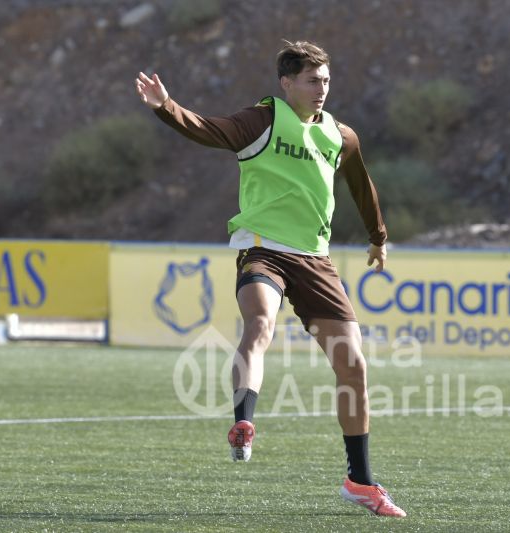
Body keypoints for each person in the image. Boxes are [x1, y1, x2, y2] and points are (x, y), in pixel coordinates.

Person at [135, 40, 405, 518]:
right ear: (286, 83)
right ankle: (244, 423)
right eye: (310, 80)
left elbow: (361, 185)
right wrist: (166, 108)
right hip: (263, 249)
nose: (321, 89)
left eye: (325, 80)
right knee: (260, 324)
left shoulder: (341, 136)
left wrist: (377, 238)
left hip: (316, 261)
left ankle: (360, 482)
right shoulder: (261, 120)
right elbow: (210, 130)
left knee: (354, 367)